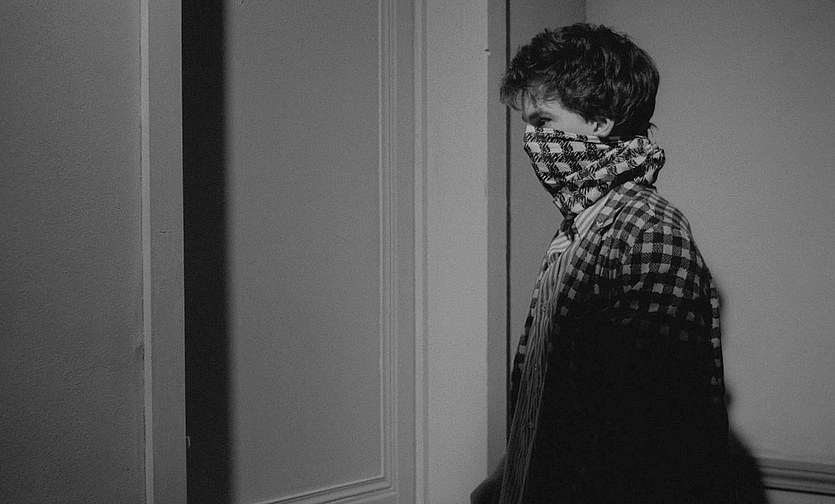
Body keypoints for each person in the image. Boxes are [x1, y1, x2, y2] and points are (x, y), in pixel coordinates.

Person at [471, 23, 730, 503]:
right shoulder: (579, 226)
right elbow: (549, 390)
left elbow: (651, 432)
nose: (530, 141)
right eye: (527, 124)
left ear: (600, 121)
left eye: (542, 121)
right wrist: (505, 480)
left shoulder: (648, 229)